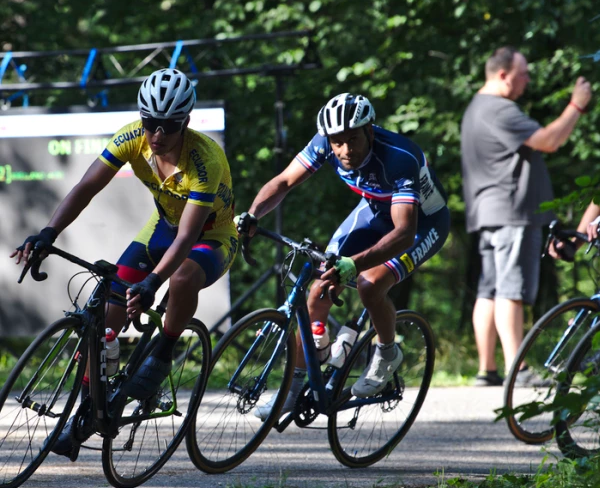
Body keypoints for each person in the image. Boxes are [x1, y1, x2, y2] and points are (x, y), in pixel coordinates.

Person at [11, 68, 237, 455]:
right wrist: (48, 233)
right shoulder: (132, 137)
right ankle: (85, 413)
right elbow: (86, 188)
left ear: (184, 122)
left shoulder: (205, 161)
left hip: (210, 236)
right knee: (104, 312)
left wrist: (152, 283)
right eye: (151, 124)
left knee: (182, 277)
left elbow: (187, 237)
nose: (157, 135)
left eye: (168, 126)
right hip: (162, 227)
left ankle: (163, 353)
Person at [236, 93, 450, 418]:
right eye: (338, 142)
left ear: (370, 132)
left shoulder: (399, 158)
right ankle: (294, 387)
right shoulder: (325, 142)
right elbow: (283, 181)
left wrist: (354, 264)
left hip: (423, 223)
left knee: (369, 284)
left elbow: (404, 232)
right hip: (375, 209)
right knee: (319, 286)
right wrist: (253, 214)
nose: (346, 150)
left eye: (353, 140)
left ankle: (387, 352)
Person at [461, 46, 592, 386]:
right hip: (512, 213)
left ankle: (487, 369)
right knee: (512, 289)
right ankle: (517, 370)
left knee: (488, 290)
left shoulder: (475, 109)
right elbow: (549, 140)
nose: (528, 80)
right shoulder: (499, 110)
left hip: (489, 214)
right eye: (523, 73)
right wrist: (576, 104)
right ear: (503, 75)